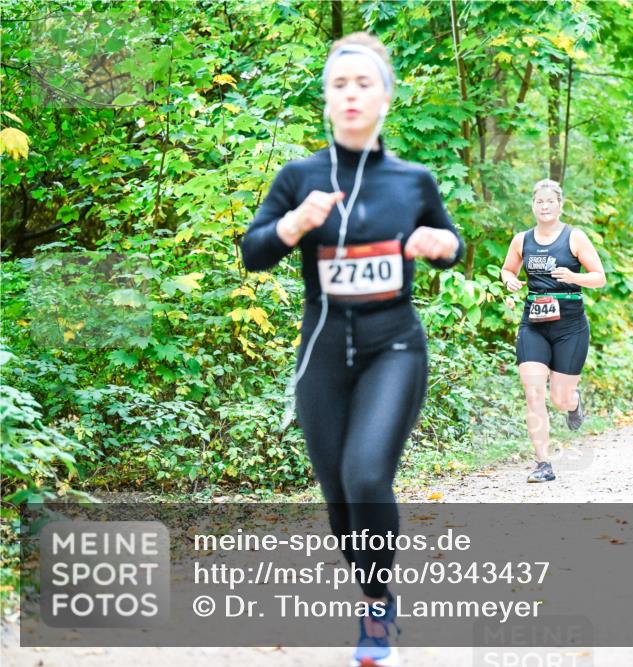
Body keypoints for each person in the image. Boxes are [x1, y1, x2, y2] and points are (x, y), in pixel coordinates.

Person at [241, 33, 464, 667]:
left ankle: (376, 612)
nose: (351, 95)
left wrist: (439, 245)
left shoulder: (411, 180)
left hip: (393, 347)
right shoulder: (300, 178)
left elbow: (453, 242)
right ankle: (372, 591)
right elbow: (255, 253)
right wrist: (293, 224)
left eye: (364, 84)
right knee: (339, 493)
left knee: (368, 473)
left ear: (385, 97)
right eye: (340, 85)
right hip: (322, 354)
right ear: (326, 100)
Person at [500, 179, 606, 483]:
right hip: (533, 324)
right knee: (533, 393)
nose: (544, 207)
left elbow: (599, 278)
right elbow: (508, 269)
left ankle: (573, 403)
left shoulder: (575, 238)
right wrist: (509, 280)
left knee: (559, 398)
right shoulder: (522, 240)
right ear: (533, 205)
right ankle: (543, 464)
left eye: (550, 201)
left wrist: (574, 276)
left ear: (560, 205)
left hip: (569, 326)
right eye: (539, 202)